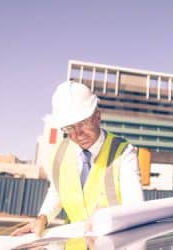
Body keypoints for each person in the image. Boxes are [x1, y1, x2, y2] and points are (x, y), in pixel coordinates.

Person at [12, 81, 144, 237]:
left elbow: (135, 207)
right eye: (69, 127)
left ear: (97, 116)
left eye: (82, 123)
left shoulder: (123, 152)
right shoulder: (59, 153)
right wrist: (43, 218)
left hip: (114, 241)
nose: (77, 134)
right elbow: (57, 192)